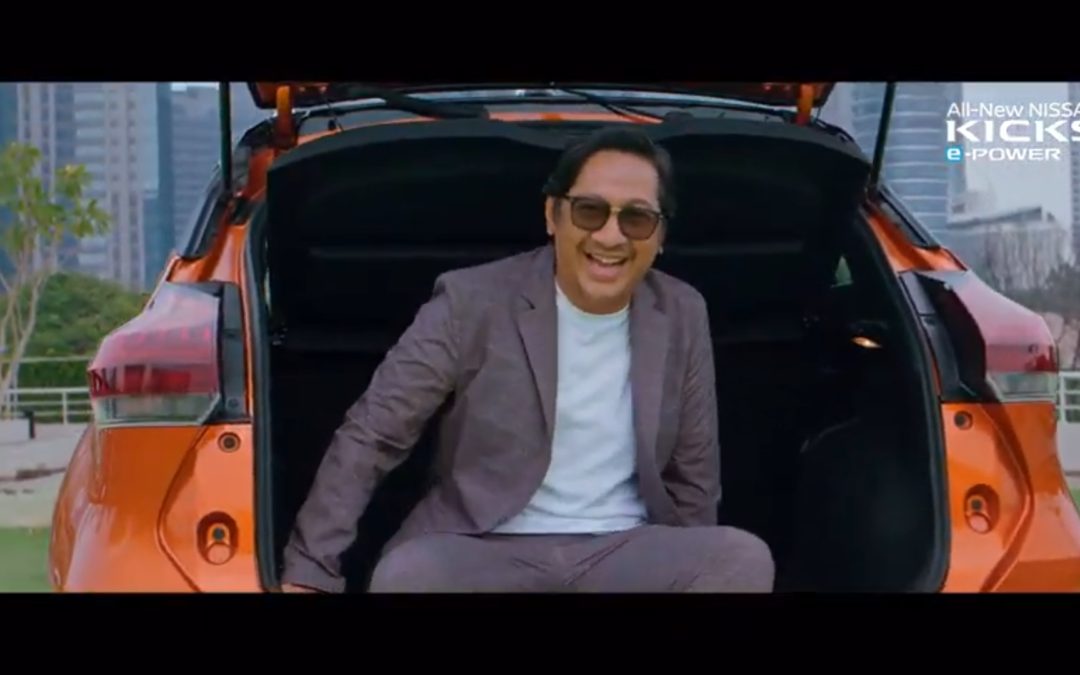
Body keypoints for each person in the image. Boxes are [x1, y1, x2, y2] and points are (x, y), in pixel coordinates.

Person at [280, 125, 774, 593]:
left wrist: (688, 568)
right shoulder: (470, 300)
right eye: (589, 211)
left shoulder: (682, 310)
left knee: (741, 559)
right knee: (409, 575)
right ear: (552, 216)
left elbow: (693, 474)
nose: (611, 236)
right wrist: (311, 568)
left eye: (636, 218)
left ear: (660, 236)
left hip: (625, 548)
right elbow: (374, 433)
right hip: (482, 547)